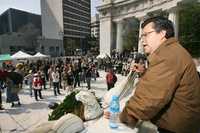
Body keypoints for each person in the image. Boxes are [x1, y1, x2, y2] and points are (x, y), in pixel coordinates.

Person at [104, 16, 200, 133]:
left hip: (177, 128)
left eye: (146, 34)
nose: (142, 39)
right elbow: (163, 85)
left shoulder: (167, 55)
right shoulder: (172, 51)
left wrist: (124, 117)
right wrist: (144, 72)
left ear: (162, 34)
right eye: (141, 36)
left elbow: (149, 96)